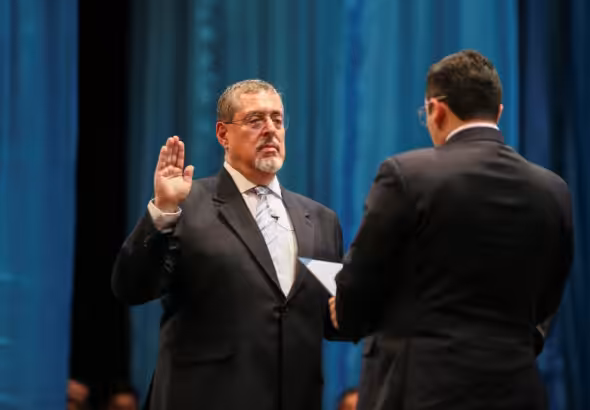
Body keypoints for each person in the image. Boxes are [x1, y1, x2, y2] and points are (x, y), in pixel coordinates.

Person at [331, 50, 573, 410]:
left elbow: (363, 275)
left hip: (423, 390)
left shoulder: (406, 175)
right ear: (499, 112)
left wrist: (346, 313)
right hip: (516, 389)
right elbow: (549, 296)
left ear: (436, 109)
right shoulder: (553, 189)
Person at [112, 79, 343, 410]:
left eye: (277, 120)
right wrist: (162, 211)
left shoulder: (320, 219)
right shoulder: (185, 205)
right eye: (255, 120)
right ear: (223, 135)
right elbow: (131, 287)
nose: (270, 130)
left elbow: (334, 318)